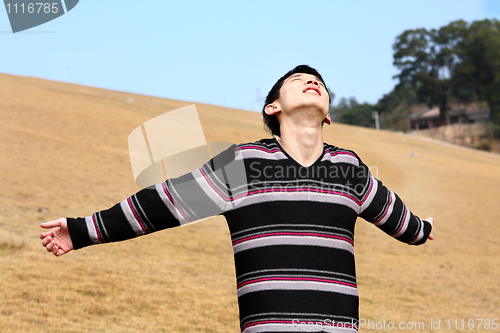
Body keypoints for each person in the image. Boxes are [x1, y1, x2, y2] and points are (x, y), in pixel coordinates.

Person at [41, 65, 434, 332]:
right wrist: (81, 230)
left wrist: (423, 229)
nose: (312, 81)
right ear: (273, 107)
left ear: (328, 114)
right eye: (299, 79)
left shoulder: (349, 168)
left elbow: (398, 217)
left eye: (319, 82)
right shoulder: (245, 163)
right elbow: (165, 202)